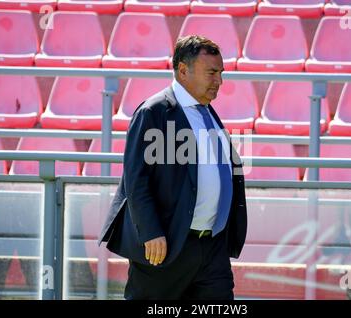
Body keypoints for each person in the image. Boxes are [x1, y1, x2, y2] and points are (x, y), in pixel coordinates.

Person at [99, 35, 247, 300]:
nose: (219, 81)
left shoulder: (209, 113)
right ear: (182, 70)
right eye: (212, 73)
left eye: (221, 73)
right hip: (165, 248)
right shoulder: (153, 112)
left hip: (212, 250)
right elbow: (136, 180)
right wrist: (151, 232)